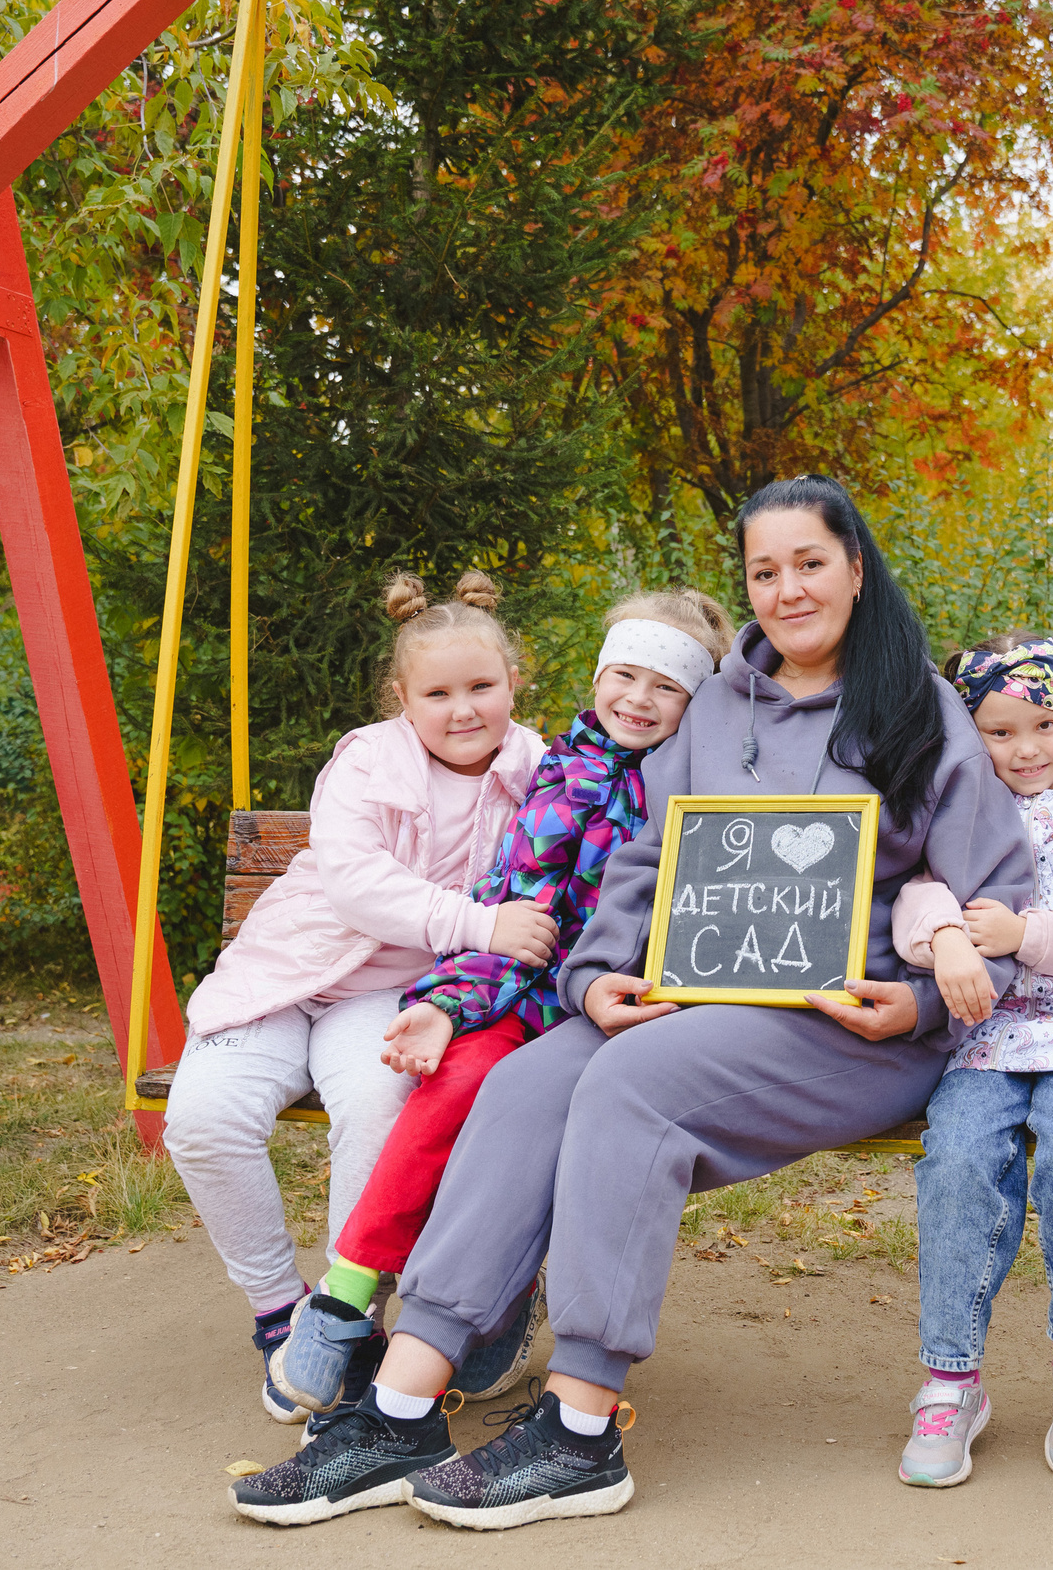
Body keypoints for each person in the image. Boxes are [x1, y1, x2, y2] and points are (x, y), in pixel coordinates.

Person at [240, 473, 1034, 1533]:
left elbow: (998, 900)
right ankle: (399, 1408)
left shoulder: (915, 709)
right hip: (698, 1000)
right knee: (528, 1081)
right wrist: (588, 976)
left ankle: (579, 1430)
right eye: (764, 570)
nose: (788, 589)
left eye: (809, 563)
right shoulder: (713, 707)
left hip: (852, 1024)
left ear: (854, 567)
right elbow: (644, 864)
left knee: (629, 1084)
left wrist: (922, 1006)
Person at [233, 589, 733, 1525]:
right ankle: (347, 1299)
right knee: (450, 1083)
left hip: (635, 1013)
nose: (638, 698)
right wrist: (442, 1006)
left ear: (696, 700)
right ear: (595, 679)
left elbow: (716, 916)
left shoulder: (703, 788)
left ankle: (489, 1322)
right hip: (531, 993)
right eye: (623, 674)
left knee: (562, 1111)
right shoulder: (562, 774)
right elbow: (514, 905)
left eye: (666, 685)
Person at [163, 571, 551, 1432]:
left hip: (388, 992)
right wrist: (482, 924)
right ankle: (279, 1309)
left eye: (482, 687)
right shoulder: (368, 759)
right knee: (202, 1117)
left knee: (379, 1105)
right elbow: (356, 881)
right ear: (401, 699)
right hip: (282, 975)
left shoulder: (539, 770)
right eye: (437, 693)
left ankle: (353, 1314)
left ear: (514, 683)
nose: (462, 709)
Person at [886, 631, 1053, 1488]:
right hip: (988, 1029)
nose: (1025, 748)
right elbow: (912, 893)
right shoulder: (954, 803)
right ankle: (951, 1377)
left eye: (1043, 724)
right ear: (972, 735)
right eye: (999, 732)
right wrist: (944, 937)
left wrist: (1026, 935)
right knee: (961, 1159)